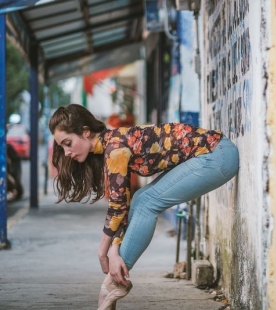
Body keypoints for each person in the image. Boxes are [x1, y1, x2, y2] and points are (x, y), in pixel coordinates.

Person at [48, 104, 239, 310]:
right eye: (62, 147)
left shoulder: (115, 148)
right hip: (213, 154)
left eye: (68, 143)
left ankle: (114, 282)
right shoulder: (111, 145)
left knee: (148, 202)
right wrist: (113, 248)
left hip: (216, 156)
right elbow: (123, 203)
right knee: (141, 199)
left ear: (85, 132)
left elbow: (117, 207)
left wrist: (103, 252)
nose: (67, 152)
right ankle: (115, 279)